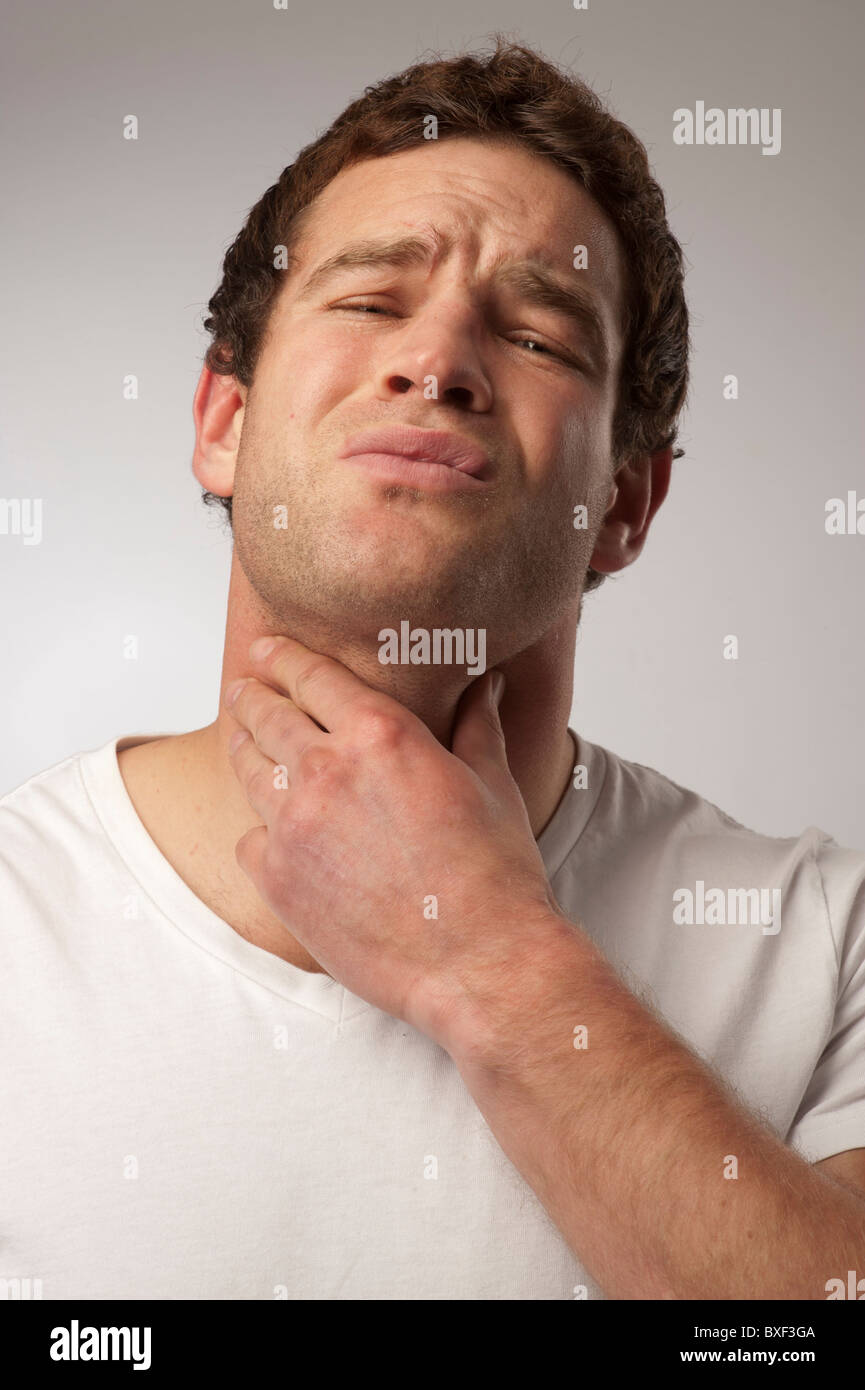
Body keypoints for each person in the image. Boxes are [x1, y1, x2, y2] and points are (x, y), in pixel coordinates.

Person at [2, 37, 863, 1302]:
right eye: (365, 301)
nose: (440, 361)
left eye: (540, 335)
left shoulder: (825, 944)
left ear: (625, 503)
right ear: (223, 426)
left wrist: (488, 954)